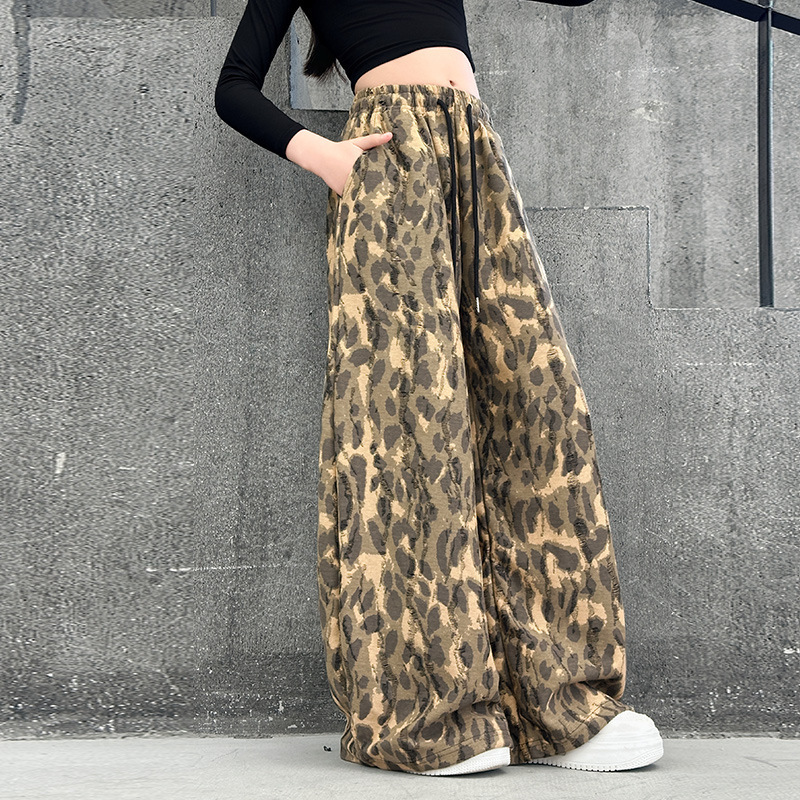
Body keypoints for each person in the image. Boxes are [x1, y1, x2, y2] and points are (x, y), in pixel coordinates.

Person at [214, 0, 664, 777]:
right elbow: (234, 85)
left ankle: (556, 707)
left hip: (474, 154)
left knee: (536, 409)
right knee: (410, 429)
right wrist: (327, 159)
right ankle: (425, 709)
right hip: (388, 170)